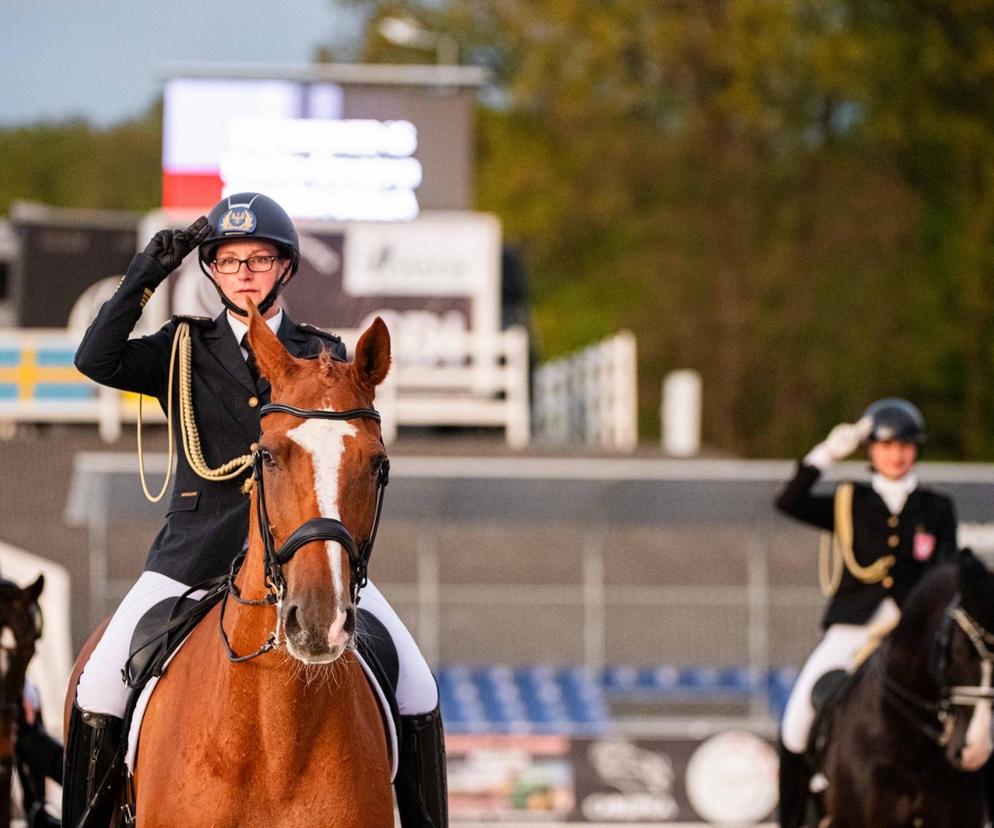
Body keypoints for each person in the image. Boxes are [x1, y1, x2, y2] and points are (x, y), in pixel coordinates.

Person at [69, 192, 447, 827]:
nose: (243, 271)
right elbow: (95, 359)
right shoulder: (182, 349)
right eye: (228, 259)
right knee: (101, 682)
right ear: (211, 270)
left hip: (309, 557)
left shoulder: (323, 356)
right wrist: (147, 273)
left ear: (287, 268)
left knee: (417, 687)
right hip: (192, 556)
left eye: (260, 258)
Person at [774, 398, 958, 828]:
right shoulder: (848, 500)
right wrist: (826, 455)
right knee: (795, 725)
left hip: (915, 638)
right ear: (871, 450)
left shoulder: (936, 507)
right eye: (887, 445)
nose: (897, 455)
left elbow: (945, 573)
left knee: (978, 720)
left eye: (906, 446)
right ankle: (793, 818)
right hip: (855, 629)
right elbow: (788, 501)